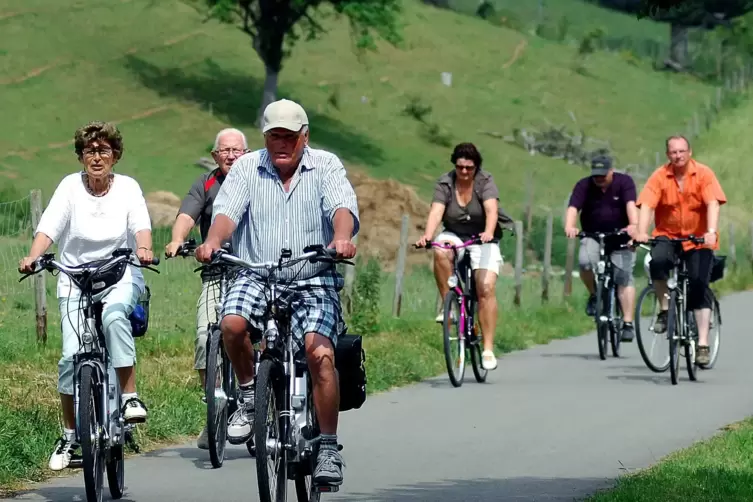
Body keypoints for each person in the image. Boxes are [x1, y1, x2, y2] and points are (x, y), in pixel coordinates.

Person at [195, 98, 358, 486]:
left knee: (320, 355)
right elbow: (227, 213)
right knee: (231, 325)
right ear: (264, 138)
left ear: (304, 137)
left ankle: (329, 446)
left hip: (312, 276)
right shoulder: (248, 167)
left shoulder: (326, 165)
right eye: (273, 137)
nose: (281, 144)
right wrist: (213, 242)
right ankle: (251, 393)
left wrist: (340, 238)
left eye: (288, 137)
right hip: (257, 274)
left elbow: (342, 207)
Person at [18, 121, 154, 471]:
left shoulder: (127, 188)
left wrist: (143, 249)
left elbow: (141, 225)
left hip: (119, 273)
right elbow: (49, 227)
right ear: (80, 156)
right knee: (68, 358)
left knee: (113, 317)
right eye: (89, 151)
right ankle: (69, 435)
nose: (96, 157)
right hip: (75, 278)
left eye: (103, 150)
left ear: (115, 156)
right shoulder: (69, 188)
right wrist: (34, 256)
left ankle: (128, 397)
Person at [164, 127, 248, 450]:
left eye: (236, 151)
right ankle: (215, 412)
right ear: (215, 156)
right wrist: (176, 240)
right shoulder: (206, 184)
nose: (230, 156)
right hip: (215, 274)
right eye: (224, 151)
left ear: (247, 154)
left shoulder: (258, 182)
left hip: (251, 274)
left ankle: (259, 400)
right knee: (205, 338)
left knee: (262, 336)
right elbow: (187, 214)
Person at [635, 135, 726, 366]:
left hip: (699, 238)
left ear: (689, 152)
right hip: (669, 234)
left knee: (698, 283)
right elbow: (647, 204)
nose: (678, 156)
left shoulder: (704, 174)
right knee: (657, 262)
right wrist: (641, 230)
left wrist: (712, 230)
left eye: (682, 151)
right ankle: (665, 310)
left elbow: (712, 203)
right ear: (668, 155)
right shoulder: (660, 176)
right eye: (673, 152)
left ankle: (703, 344)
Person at [415, 142, 504, 371]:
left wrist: (489, 232)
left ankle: (487, 348)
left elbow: (492, 210)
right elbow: (437, 210)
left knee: (485, 288)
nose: (464, 172)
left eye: (469, 168)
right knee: (440, 249)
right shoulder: (446, 182)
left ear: (476, 167)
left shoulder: (485, 181)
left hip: (482, 237)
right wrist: (427, 235)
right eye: (460, 167)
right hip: (455, 234)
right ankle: (450, 306)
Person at [564, 155, 639, 342]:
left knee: (623, 276)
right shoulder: (584, 185)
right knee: (585, 263)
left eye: (603, 175)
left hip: (620, 235)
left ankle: (628, 323)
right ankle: (594, 294)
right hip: (593, 235)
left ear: (611, 171)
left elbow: (631, 205)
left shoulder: (624, 182)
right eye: (596, 175)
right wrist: (570, 226)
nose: (599, 179)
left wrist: (634, 225)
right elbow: (573, 207)